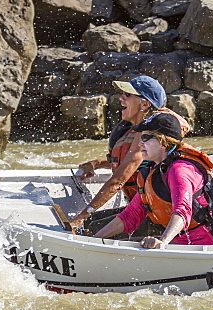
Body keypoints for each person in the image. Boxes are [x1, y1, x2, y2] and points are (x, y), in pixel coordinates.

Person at [68, 75, 190, 233]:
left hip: (159, 215)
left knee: (87, 227)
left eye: (128, 95)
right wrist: (96, 164)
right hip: (141, 206)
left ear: (144, 104)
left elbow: (118, 180)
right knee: (91, 223)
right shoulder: (138, 129)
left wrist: (80, 218)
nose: (121, 98)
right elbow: (128, 161)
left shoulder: (150, 135)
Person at [93, 113, 213, 248]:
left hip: (206, 246)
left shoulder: (180, 170)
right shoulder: (152, 170)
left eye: (146, 138)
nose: (140, 143)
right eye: (141, 137)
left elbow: (182, 211)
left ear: (163, 142)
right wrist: (95, 240)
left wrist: (162, 241)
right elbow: (131, 215)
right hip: (179, 241)